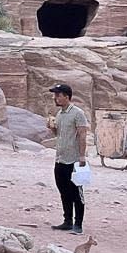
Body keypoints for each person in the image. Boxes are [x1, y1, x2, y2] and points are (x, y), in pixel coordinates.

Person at [46, 82, 90, 232]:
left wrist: (82, 156)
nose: (55, 98)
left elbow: (82, 135)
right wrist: (52, 128)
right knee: (63, 191)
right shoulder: (59, 114)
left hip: (74, 159)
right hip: (60, 158)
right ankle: (67, 221)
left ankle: (78, 224)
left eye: (58, 95)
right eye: (55, 95)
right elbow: (58, 134)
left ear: (67, 96)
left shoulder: (78, 113)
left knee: (76, 192)